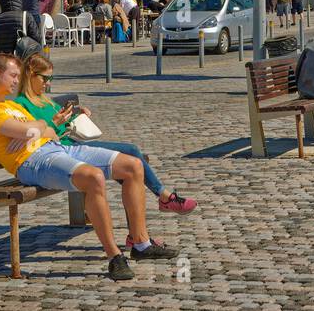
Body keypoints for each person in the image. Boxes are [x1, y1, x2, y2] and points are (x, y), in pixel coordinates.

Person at [0, 54, 177, 280]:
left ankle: (141, 244)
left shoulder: (11, 106)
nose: (16, 81)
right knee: (93, 177)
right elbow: (32, 131)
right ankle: (115, 257)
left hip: (57, 148)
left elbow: (46, 130)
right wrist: (33, 129)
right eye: (13, 75)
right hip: (32, 162)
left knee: (134, 165)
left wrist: (35, 128)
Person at [15, 52, 197, 220]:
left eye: (51, 78)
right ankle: (163, 200)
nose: (48, 83)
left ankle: (160, 203)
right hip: (61, 154)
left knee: (130, 155)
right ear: (31, 75)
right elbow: (33, 133)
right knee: (129, 160)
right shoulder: (21, 104)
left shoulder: (44, 100)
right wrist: (55, 122)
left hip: (74, 145)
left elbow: (61, 118)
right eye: (45, 78)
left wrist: (77, 112)